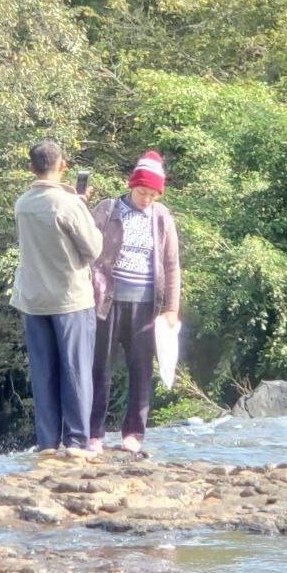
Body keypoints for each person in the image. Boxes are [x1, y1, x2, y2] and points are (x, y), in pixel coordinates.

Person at [10, 139, 103, 458]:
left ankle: (47, 442)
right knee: (76, 370)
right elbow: (93, 248)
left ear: (31, 168)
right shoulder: (68, 204)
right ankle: (77, 442)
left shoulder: (22, 203)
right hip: (69, 298)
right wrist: (82, 205)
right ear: (62, 166)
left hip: (33, 300)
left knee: (44, 372)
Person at [88, 150, 181, 454]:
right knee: (99, 367)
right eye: (142, 191)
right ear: (132, 186)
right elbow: (86, 249)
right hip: (106, 301)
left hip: (144, 306)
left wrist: (171, 309)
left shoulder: (162, 217)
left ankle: (134, 434)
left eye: (153, 194)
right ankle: (94, 434)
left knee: (141, 370)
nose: (146, 198)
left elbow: (171, 264)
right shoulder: (108, 209)